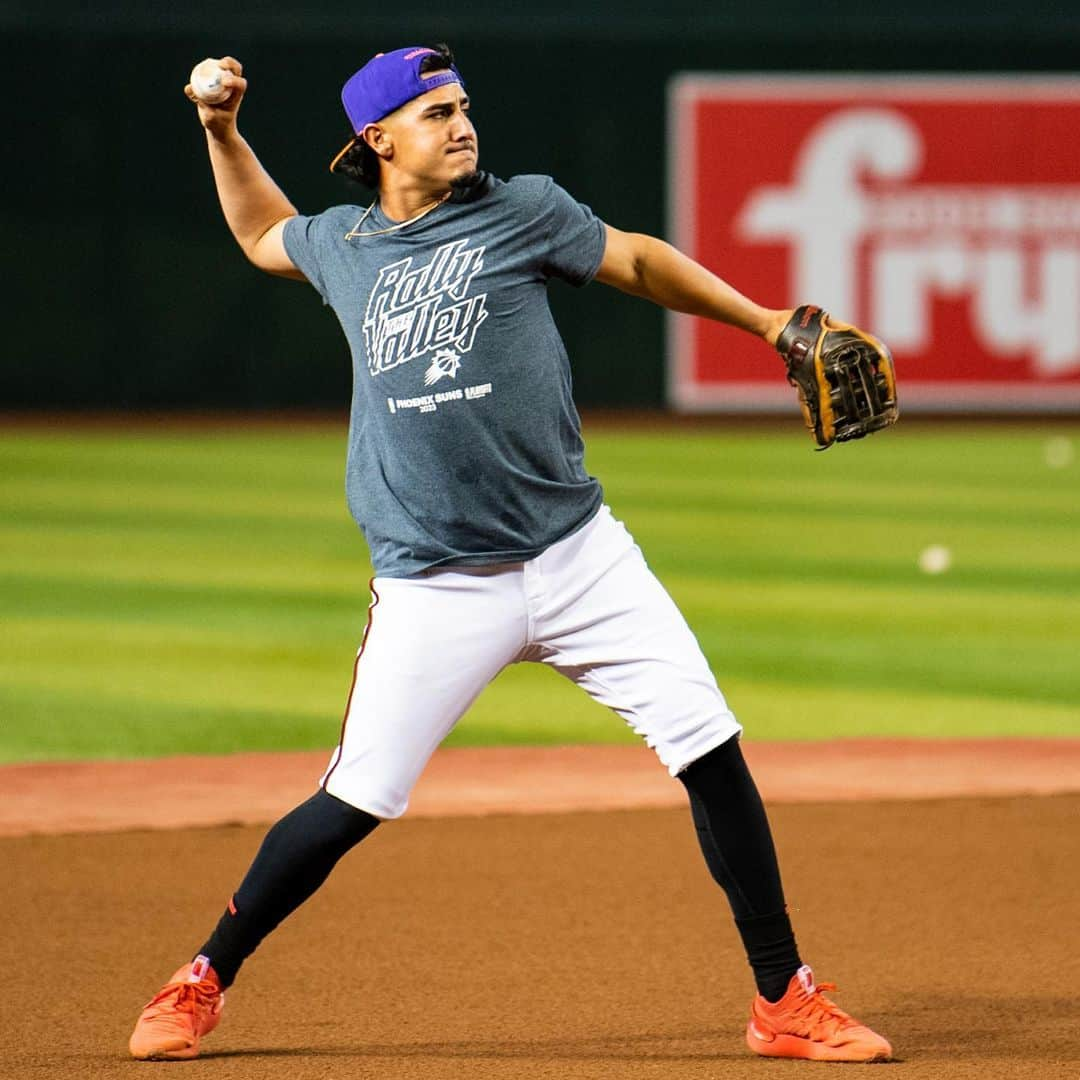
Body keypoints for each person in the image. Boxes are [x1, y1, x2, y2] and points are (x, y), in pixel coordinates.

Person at [128, 44, 892, 1064]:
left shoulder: (523, 209)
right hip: (433, 584)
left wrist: (762, 324)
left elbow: (633, 257)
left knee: (710, 749)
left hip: (580, 560)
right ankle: (202, 977)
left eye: (463, 105)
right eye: (435, 112)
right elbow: (264, 229)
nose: (461, 124)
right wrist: (221, 132)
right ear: (377, 139)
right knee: (354, 800)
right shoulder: (345, 242)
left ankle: (782, 1000)